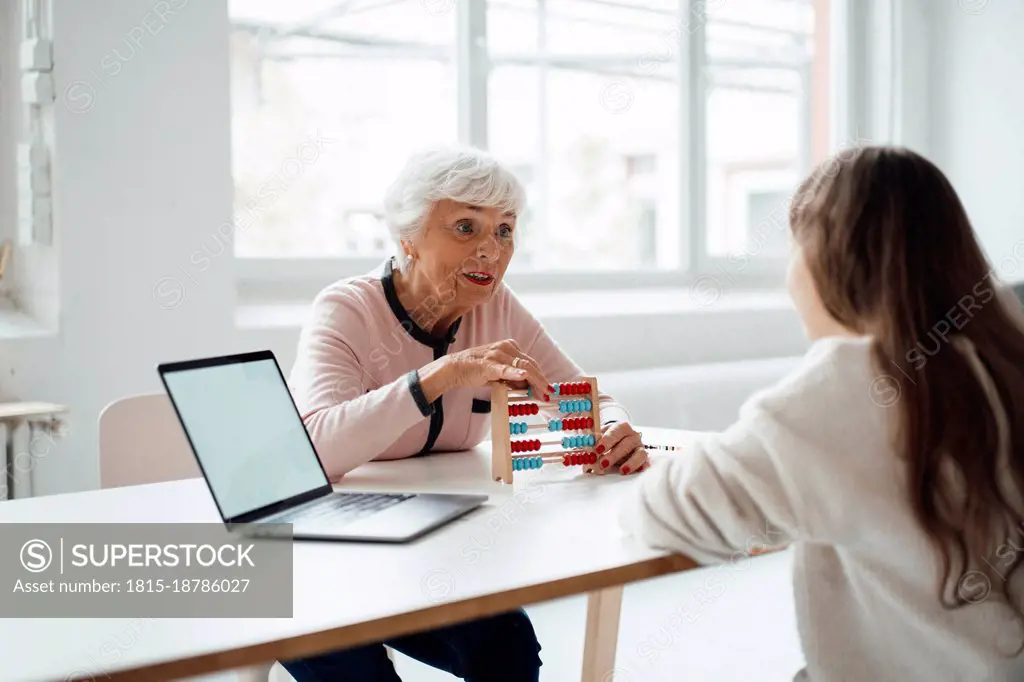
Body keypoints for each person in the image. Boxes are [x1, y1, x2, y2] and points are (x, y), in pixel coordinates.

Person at [618, 145, 1024, 681]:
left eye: (794, 250)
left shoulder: (849, 386)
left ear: (832, 258)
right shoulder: (1003, 351)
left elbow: (662, 515)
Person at [282, 145, 650, 681]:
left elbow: (580, 399)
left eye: (504, 230)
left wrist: (611, 425)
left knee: (508, 647)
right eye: (465, 227)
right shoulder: (347, 309)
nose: (490, 251)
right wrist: (443, 375)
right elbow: (315, 447)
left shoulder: (498, 308)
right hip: (319, 566)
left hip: (425, 556)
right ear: (408, 236)